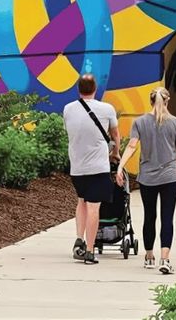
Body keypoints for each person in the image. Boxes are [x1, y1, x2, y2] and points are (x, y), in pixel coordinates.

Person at [116, 87, 176, 275]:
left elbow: (132, 146)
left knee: (150, 216)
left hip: (147, 177)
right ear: (167, 101)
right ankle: (165, 259)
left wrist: (119, 167)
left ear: (150, 102)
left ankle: (149, 256)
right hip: (170, 177)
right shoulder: (175, 123)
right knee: (167, 218)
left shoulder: (139, 122)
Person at [63, 74, 120, 265]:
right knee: (94, 207)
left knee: (81, 201)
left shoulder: (68, 109)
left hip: (77, 167)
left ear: (78, 89)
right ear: (96, 89)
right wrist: (115, 153)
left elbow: (69, 132)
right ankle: (89, 250)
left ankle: (79, 238)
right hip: (98, 167)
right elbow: (115, 136)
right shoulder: (107, 109)